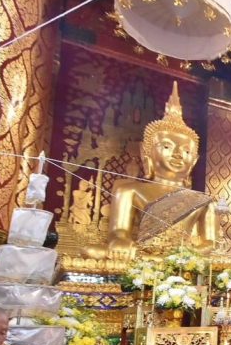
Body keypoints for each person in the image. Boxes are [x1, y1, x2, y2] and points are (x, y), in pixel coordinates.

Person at [85, 82, 219, 260]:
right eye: (167, 146)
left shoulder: (203, 201)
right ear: (147, 153)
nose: (178, 154)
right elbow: (119, 231)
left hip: (182, 259)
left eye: (187, 151)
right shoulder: (129, 190)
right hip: (143, 255)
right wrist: (120, 241)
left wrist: (185, 256)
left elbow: (210, 243)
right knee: (91, 251)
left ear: (194, 161)